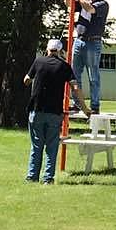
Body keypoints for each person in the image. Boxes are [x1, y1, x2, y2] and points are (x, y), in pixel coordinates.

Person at [23, 38, 87, 184]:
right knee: (51, 146)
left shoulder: (38, 62)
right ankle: (48, 178)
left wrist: (34, 80)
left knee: (36, 145)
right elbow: (75, 87)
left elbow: (26, 80)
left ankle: (32, 176)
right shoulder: (64, 66)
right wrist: (85, 108)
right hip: (54, 112)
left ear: (47, 49)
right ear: (60, 51)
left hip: (36, 109)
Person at [64, 0, 110, 115]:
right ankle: (77, 103)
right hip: (79, 40)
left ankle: (95, 106)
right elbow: (68, 4)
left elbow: (89, 8)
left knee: (93, 76)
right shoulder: (84, 1)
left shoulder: (102, 4)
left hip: (93, 42)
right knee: (75, 74)